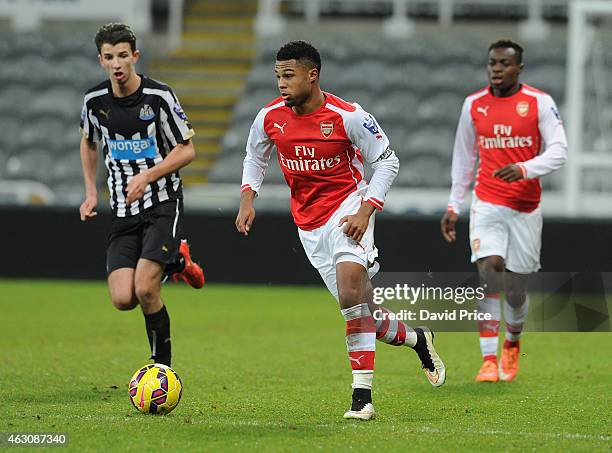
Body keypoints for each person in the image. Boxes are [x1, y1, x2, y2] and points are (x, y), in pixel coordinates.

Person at [236, 40, 445, 420]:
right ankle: (418, 339)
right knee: (364, 313)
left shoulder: (348, 116)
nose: (281, 83)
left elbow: (387, 161)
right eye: (277, 76)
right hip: (308, 224)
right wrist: (248, 198)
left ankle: (361, 399)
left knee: (352, 293)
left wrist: (366, 211)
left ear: (312, 75)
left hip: (348, 209)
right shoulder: (269, 117)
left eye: (289, 75)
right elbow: (255, 156)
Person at [441, 39, 568, 382]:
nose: (496, 69)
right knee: (489, 271)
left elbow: (560, 150)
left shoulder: (539, 103)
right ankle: (487, 360)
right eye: (492, 63)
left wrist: (526, 168)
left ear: (519, 69)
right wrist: (455, 204)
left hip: (526, 208)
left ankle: (512, 342)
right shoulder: (473, 106)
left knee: (515, 290)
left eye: (504, 64)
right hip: (488, 203)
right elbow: (463, 159)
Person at [79, 23, 205, 367]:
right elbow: (89, 142)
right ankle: (177, 261)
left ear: (135, 56)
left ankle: (161, 368)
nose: (117, 63)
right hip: (123, 210)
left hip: (162, 203)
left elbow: (187, 150)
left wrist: (148, 176)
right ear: (101, 60)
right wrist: (91, 192)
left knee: (146, 289)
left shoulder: (159, 97)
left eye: (123, 55)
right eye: (109, 57)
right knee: (123, 298)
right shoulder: (94, 102)